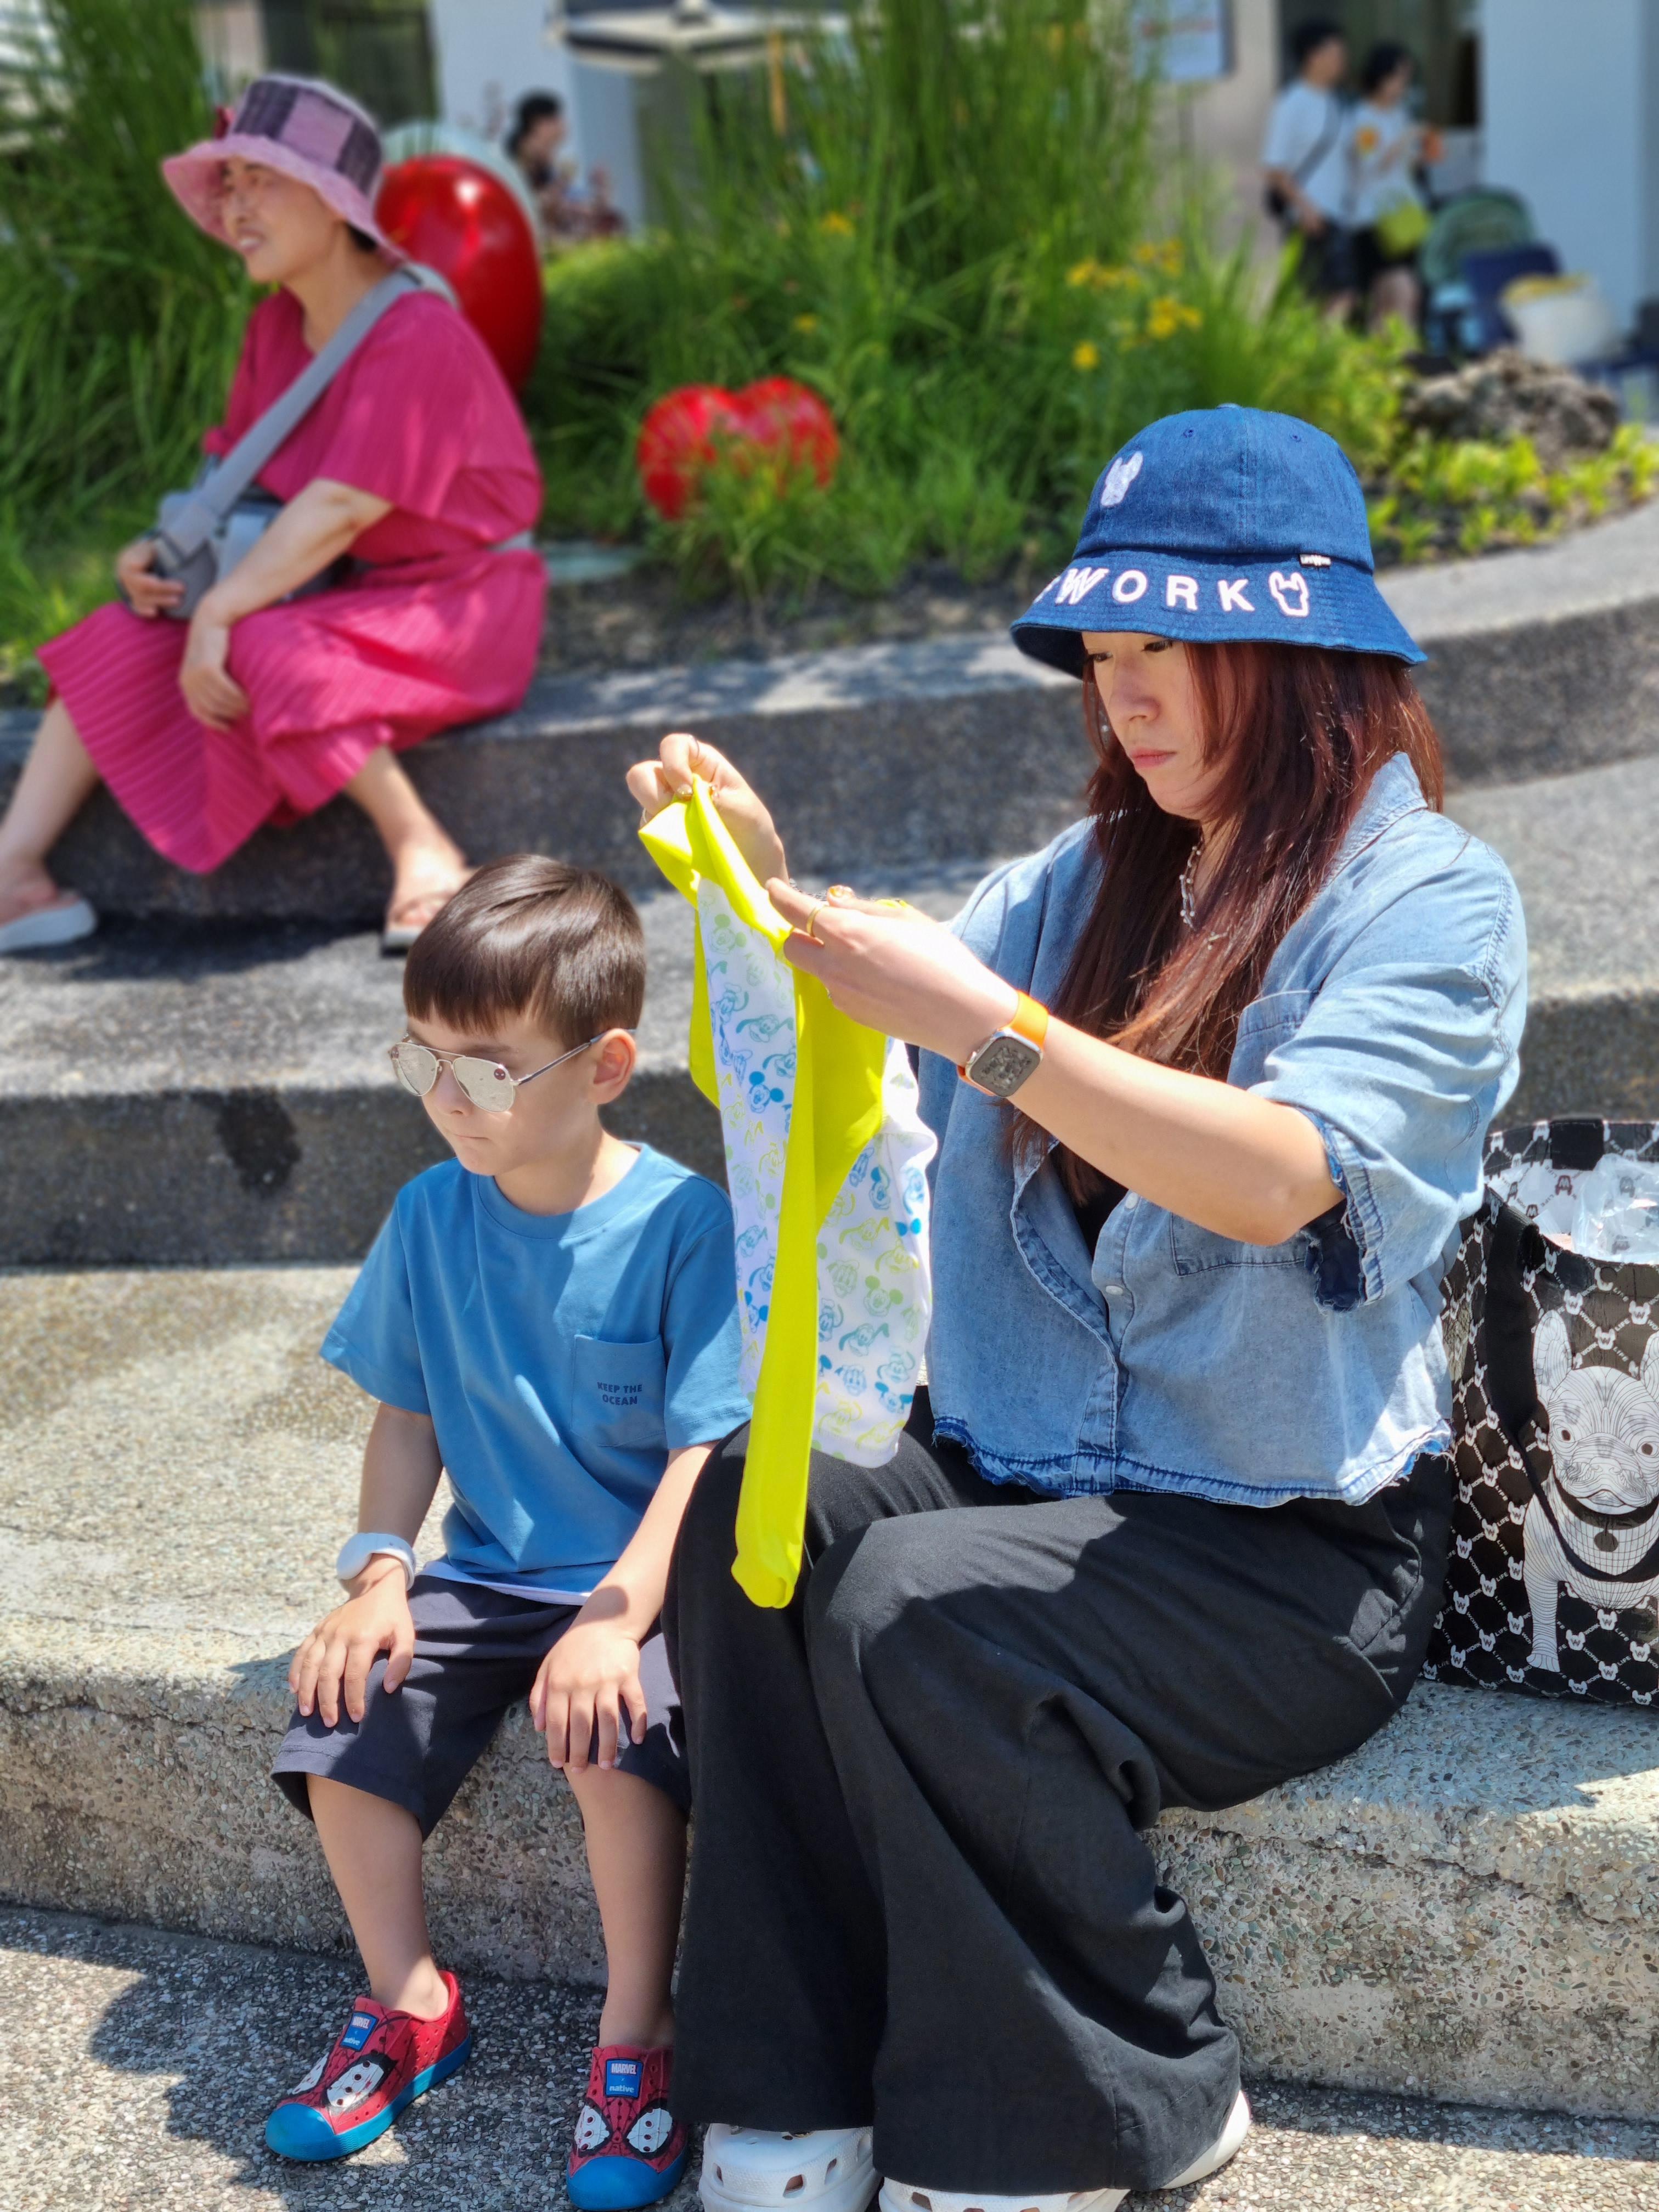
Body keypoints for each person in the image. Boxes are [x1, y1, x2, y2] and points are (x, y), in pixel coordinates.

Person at [629, 405, 1526, 2212]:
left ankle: (1128, 2091)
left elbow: (1283, 1171)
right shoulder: (1080, 881)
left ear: (1302, 652)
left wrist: (988, 1030)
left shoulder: (1432, 901)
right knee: (761, 1511)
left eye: (1168, 647)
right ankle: (796, 2074)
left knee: (921, 1604)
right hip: (1039, 1467)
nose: (1127, 695)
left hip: (1286, 1550)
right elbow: (874, 1041)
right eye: (1104, 655)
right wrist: (760, 875)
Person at [263, 855, 751, 2194]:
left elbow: (705, 1450)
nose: (447, 1097)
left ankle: (638, 2034)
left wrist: (617, 1619)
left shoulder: (682, 1222)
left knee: (606, 1736)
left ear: (606, 1066)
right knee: (341, 1712)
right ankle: (410, 2001)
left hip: (641, 1582)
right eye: (422, 1059)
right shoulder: (429, 1215)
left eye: (484, 1068)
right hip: (485, 1572)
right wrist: (379, 1571)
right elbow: (408, 1414)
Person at [0, 75, 546, 958]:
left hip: (464, 607)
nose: (236, 205)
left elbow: (340, 507)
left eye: (262, 180)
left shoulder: (419, 334)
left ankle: (427, 852)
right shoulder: (274, 331)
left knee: (259, 643)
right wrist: (159, 552)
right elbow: (238, 482)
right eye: (230, 184)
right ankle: (13, 872)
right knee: (122, 634)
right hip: (336, 593)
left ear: (334, 203)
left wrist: (221, 610)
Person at [1262, 18, 1355, 318]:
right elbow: (1274, 169)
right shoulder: (1292, 103)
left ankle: (1324, 347)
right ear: (1314, 56)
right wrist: (1306, 209)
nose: (1342, 61)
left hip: (1338, 215)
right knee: (1324, 297)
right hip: (1310, 218)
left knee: (1337, 296)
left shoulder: (1338, 103)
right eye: (1336, 54)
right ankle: (1320, 347)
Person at [1350, 42, 1438, 333]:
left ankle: (1392, 350)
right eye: (1398, 77)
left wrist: (1422, 154)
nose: (1402, 85)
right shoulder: (1362, 117)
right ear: (1381, 76)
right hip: (1374, 217)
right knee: (1394, 291)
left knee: (1402, 292)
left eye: (1406, 78)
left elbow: (1404, 164)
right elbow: (1372, 163)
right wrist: (1407, 137)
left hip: (1404, 212)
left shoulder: (1399, 114)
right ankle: (1392, 351)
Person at [506, 89, 623, 245]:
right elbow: (534, 201)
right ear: (540, 123)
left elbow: (562, 199)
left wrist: (598, 197)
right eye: (556, 119)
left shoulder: (546, 160)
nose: (563, 125)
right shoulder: (526, 155)